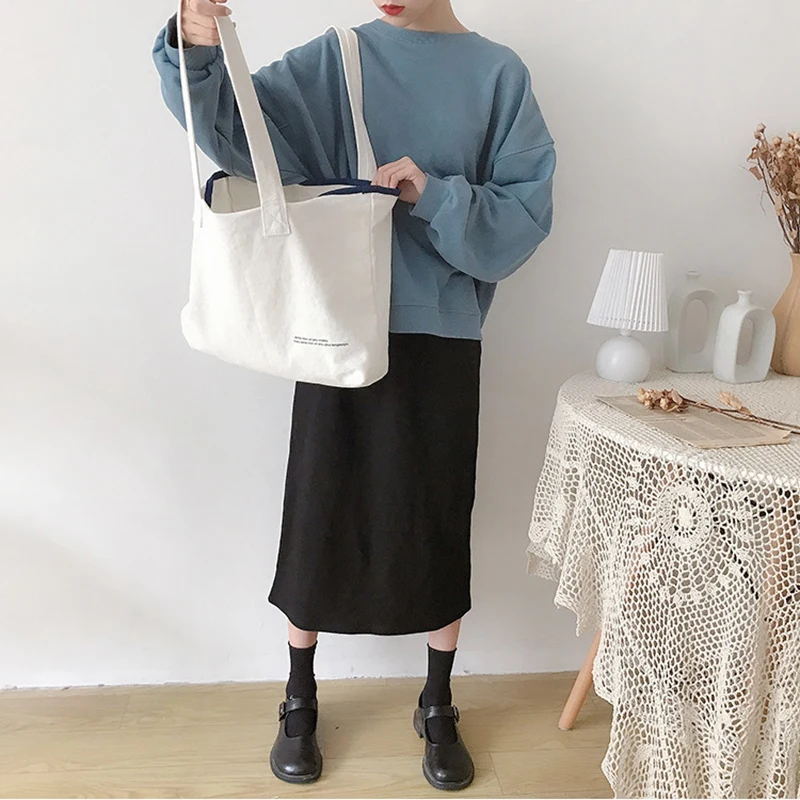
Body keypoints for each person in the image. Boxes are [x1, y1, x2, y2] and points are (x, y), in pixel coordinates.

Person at [153, 0, 555, 790]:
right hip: (333, 324)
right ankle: (299, 696)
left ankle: (437, 702)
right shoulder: (337, 59)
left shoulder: (498, 75)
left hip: (439, 333)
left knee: (435, 517)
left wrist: (433, 193)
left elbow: (525, 216)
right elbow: (234, 132)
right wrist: (193, 48)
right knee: (318, 511)